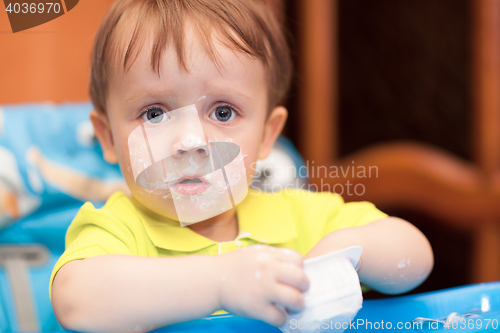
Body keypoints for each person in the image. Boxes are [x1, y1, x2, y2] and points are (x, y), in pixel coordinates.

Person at [50, 1, 434, 332]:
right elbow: (75, 301)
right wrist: (220, 284)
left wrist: (348, 252)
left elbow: (415, 257)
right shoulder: (119, 231)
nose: (191, 141)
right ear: (108, 138)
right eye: (154, 113)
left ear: (268, 135)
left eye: (222, 111)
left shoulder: (299, 216)